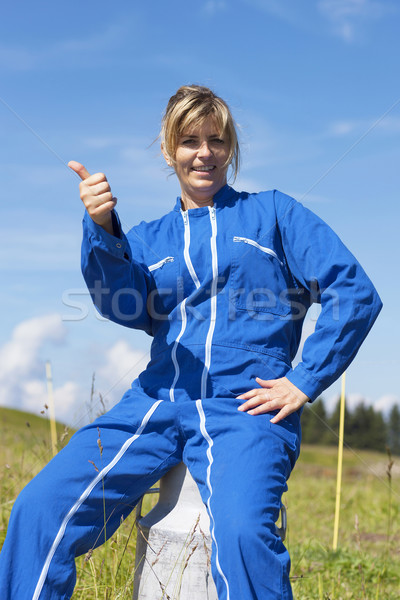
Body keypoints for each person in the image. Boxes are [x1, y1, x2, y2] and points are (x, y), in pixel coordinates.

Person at [0, 85, 382, 600]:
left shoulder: (273, 214)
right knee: (38, 509)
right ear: (168, 150)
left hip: (245, 406)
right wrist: (101, 227)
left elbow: (353, 291)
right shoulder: (147, 237)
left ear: (231, 149)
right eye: (189, 140)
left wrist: (303, 380)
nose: (204, 152)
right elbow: (118, 301)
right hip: (156, 399)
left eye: (217, 140)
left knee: (244, 535)